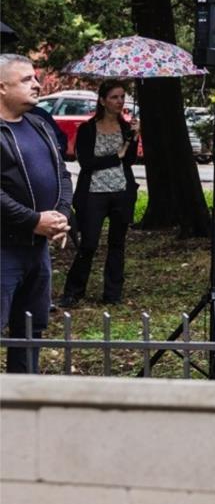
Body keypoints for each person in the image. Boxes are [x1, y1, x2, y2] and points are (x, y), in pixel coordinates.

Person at [0, 54, 72, 373]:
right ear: (2, 87)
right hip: (4, 249)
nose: (37, 84)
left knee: (30, 332)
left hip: (38, 249)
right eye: (26, 79)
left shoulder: (40, 124)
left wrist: (60, 217)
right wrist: (34, 221)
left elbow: (63, 174)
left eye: (35, 77)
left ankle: (22, 410)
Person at [59, 80, 140, 307]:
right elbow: (86, 162)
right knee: (89, 244)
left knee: (117, 243)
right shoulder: (87, 129)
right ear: (103, 101)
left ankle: (113, 294)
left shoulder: (126, 127)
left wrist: (134, 138)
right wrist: (118, 155)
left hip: (121, 192)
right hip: (93, 193)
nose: (120, 101)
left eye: (122, 97)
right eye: (114, 97)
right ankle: (74, 292)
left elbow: (130, 160)